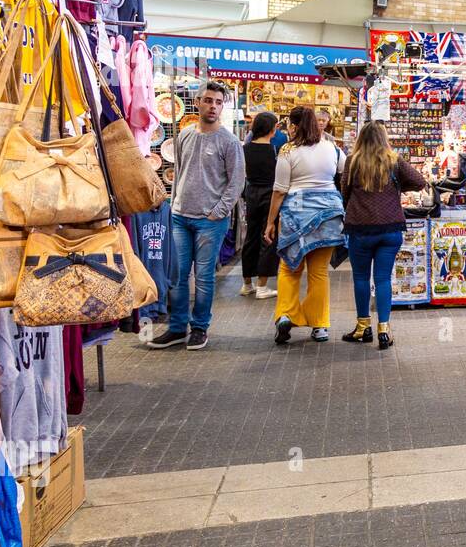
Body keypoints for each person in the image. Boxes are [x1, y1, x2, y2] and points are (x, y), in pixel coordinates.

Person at [148, 82, 245, 351]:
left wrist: (219, 212)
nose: (213, 106)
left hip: (210, 221)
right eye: (208, 100)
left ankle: (200, 327)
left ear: (222, 107)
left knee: (203, 276)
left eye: (218, 102)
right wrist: (173, 202)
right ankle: (178, 327)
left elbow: (237, 182)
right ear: (198, 103)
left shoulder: (228, 141)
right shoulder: (184, 136)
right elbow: (180, 172)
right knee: (178, 275)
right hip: (180, 216)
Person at [340, 121, 428, 349]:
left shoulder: (353, 161)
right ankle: (384, 329)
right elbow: (420, 182)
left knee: (360, 277)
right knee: (383, 279)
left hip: (360, 228)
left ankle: (363, 327)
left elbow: (345, 192)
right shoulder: (394, 160)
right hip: (390, 229)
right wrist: (396, 189)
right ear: (383, 139)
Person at [265, 105, 346, 344]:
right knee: (319, 273)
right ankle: (319, 325)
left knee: (289, 269)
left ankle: (285, 315)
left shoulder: (287, 151)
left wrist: (270, 222)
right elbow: (345, 172)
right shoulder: (332, 148)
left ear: (295, 126)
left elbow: (279, 191)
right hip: (329, 213)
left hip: (296, 215)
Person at [240, 111, 280, 299]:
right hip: (269, 195)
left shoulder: (245, 148)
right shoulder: (273, 149)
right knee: (268, 236)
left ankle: (247, 283)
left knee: (251, 237)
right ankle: (262, 286)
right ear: (271, 129)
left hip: (251, 193)